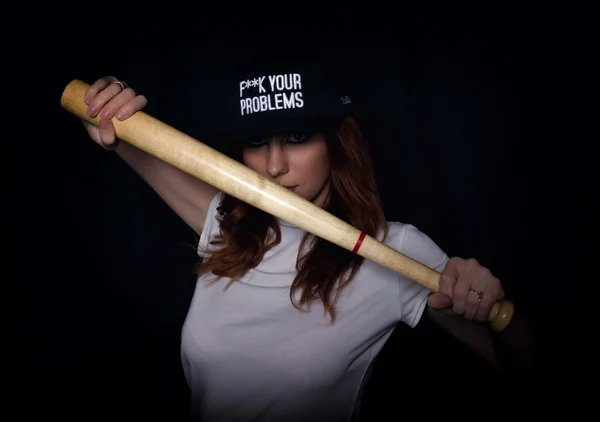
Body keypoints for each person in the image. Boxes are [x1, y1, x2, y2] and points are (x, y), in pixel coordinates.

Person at [79, 54, 539, 421]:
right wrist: (105, 110)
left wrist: (497, 309)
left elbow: (523, 370)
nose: (275, 166)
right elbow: (120, 139)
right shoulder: (226, 224)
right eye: (257, 141)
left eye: (297, 137)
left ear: (337, 145)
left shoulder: (394, 250)